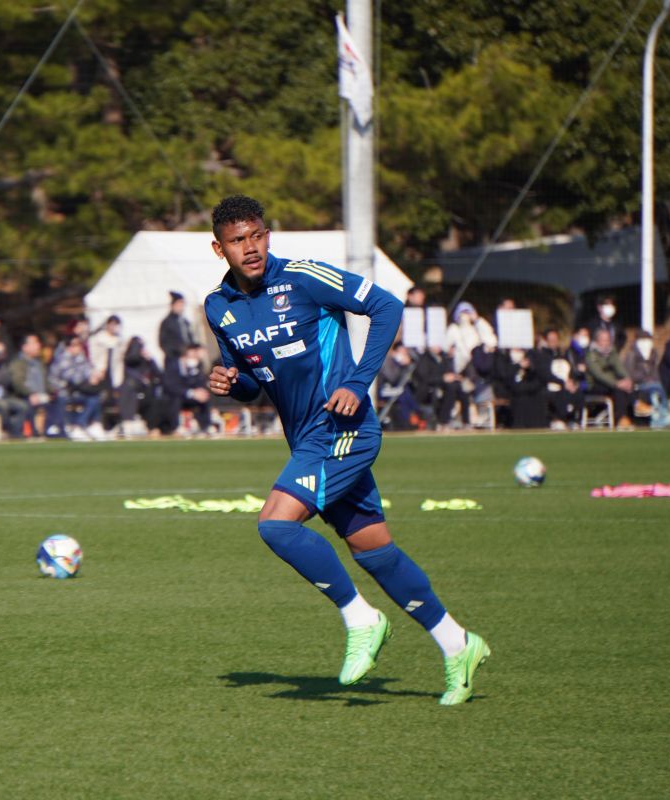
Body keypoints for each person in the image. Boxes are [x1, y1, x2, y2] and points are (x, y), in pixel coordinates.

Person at [205, 195, 489, 705]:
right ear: (218, 247)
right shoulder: (218, 307)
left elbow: (387, 305)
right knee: (374, 550)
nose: (250, 247)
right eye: (237, 240)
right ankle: (458, 644)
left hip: (344, 428)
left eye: (257, 235)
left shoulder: (303, 276)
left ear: (267, 235)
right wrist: (232, 383)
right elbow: (254, 382)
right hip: (307, 437)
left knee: (275, 523)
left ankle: (361, 619)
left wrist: (358, 381)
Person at [585, 328, 635, 428]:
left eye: (607, 339)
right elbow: (599, 374)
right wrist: (616, 383)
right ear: (597, 341)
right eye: (603, 340)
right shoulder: (591, 355)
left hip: (612, 383)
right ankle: (620, 419)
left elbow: (620, 367)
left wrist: (627, 379)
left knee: (630, 387)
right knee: (618, 389)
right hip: (595, 385)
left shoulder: (612, 352)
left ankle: (633, 415)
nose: (605, 342)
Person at [623, 331, 670, 428]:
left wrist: (654, 380)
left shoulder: (653, 354)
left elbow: (655, 371)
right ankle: (662, 415)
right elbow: (629, 373)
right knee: (656, 389)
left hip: (652, 384)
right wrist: (644, 377)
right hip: (638, 384)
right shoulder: (631, 354)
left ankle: (662, 415)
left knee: (658, 389)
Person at [158, 291, 197, 365]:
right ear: (173, 305)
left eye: (182, 305)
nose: (181, 307)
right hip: (174, 360)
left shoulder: (185, 322)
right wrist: (179, 351)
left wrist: (194, 349)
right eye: (179, 304)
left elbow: (190, 338)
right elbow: (163, 343)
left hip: (188, 359)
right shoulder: (167, 322)